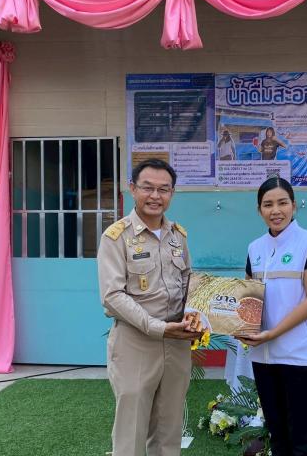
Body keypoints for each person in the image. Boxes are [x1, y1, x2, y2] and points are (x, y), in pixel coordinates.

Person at [98, 158, 202, 456]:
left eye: (163, 189)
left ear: (172, 193)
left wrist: (199, 315)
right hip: (136, 342)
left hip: (177, 342)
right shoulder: (116, 237)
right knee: (131, 428)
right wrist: (158, 328)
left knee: (169, 427)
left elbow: (188, 283)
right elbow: (112, 296)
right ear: (132, 189)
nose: (155, 196)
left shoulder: (178, 236)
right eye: (148, 188)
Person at [238, 177, 307, 456]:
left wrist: (273, 333)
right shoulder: (255, 248)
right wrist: (237, 323)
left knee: (303, 441)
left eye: (282, 203)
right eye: (268, 204)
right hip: (265, 358)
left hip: (301, 357)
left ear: (294, 206)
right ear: (259, 210)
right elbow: (249, 298)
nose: (275, 210)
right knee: (277, 437)